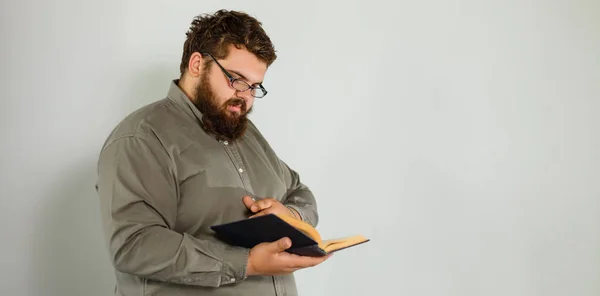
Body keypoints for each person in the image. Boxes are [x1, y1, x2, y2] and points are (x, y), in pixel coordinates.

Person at [95, 9, 330, 296]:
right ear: (197, 64)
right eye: (236, 79)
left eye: (254, 86)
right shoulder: (142, 139)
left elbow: (298, 190)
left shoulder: (245, 131)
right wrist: (247, 264)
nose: (245, 95)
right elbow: (133, 245)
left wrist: (290, 214)